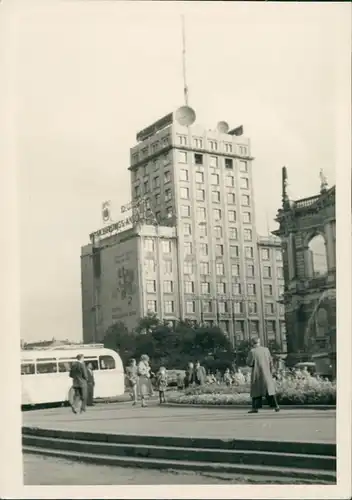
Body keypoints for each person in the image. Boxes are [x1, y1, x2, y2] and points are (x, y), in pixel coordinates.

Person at [246, 337, 280, 414]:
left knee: (256, 392)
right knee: (269, 391)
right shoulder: (266, 350)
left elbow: (249, 363)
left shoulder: (252, 351)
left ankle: (255, 408)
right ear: (259, 342)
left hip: (257, 374)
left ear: (252, 343)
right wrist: (271, 372)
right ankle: (276, 406)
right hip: (267, 374)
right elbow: (271, 362)